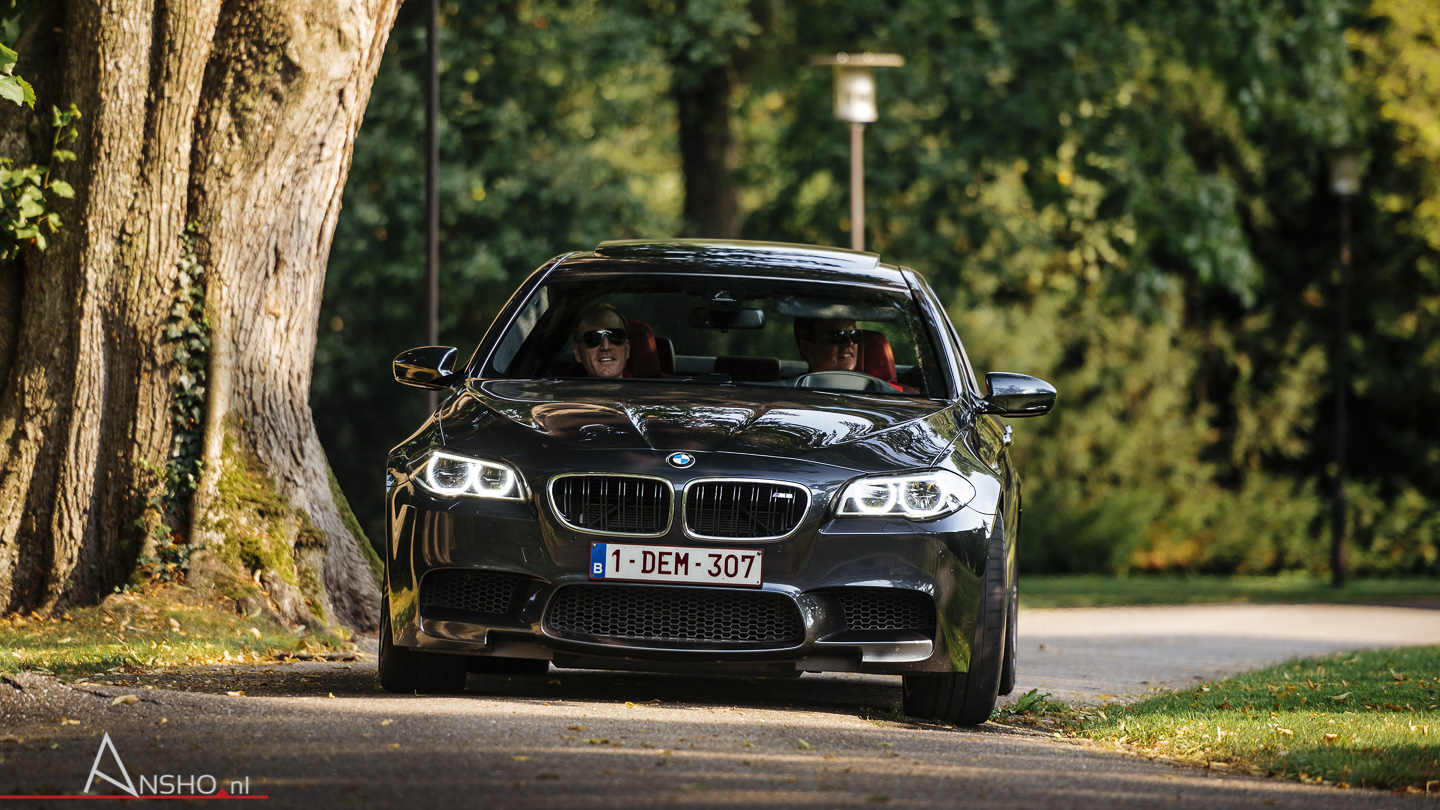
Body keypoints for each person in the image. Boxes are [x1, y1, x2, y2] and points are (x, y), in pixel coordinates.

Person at [572, 303, 631, 378]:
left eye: (615, 336)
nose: (606, 347)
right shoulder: (560, 385)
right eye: (593, 338)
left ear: (627, 349)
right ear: (577, 352)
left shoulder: (644, 386)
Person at [793, 317, 861, 373]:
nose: (850, 343)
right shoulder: (795, 385)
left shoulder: (865, 384)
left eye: (854, 335)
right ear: (806, 348)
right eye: (838, 336)